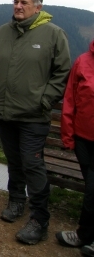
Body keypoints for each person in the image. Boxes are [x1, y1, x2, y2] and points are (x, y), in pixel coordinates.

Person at [0, 0, 71, 245]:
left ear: (38, 7)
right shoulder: (2, 33)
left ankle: (39, 218)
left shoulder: (53, 34)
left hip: (34, 116)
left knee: (32, 165)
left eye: (24, 2)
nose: (18, 6)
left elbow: (62, 72)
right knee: (14, 161)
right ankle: (16, 201)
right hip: (5, 112)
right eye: (15, 1)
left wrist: (44, 100)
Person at [56, 39, 94, 252]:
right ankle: (86, 235)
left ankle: (83, 235)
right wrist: (68, 133)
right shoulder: (83, 61)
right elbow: (70, 99)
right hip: (83, 138)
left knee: (92, 190)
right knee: (91, 187)